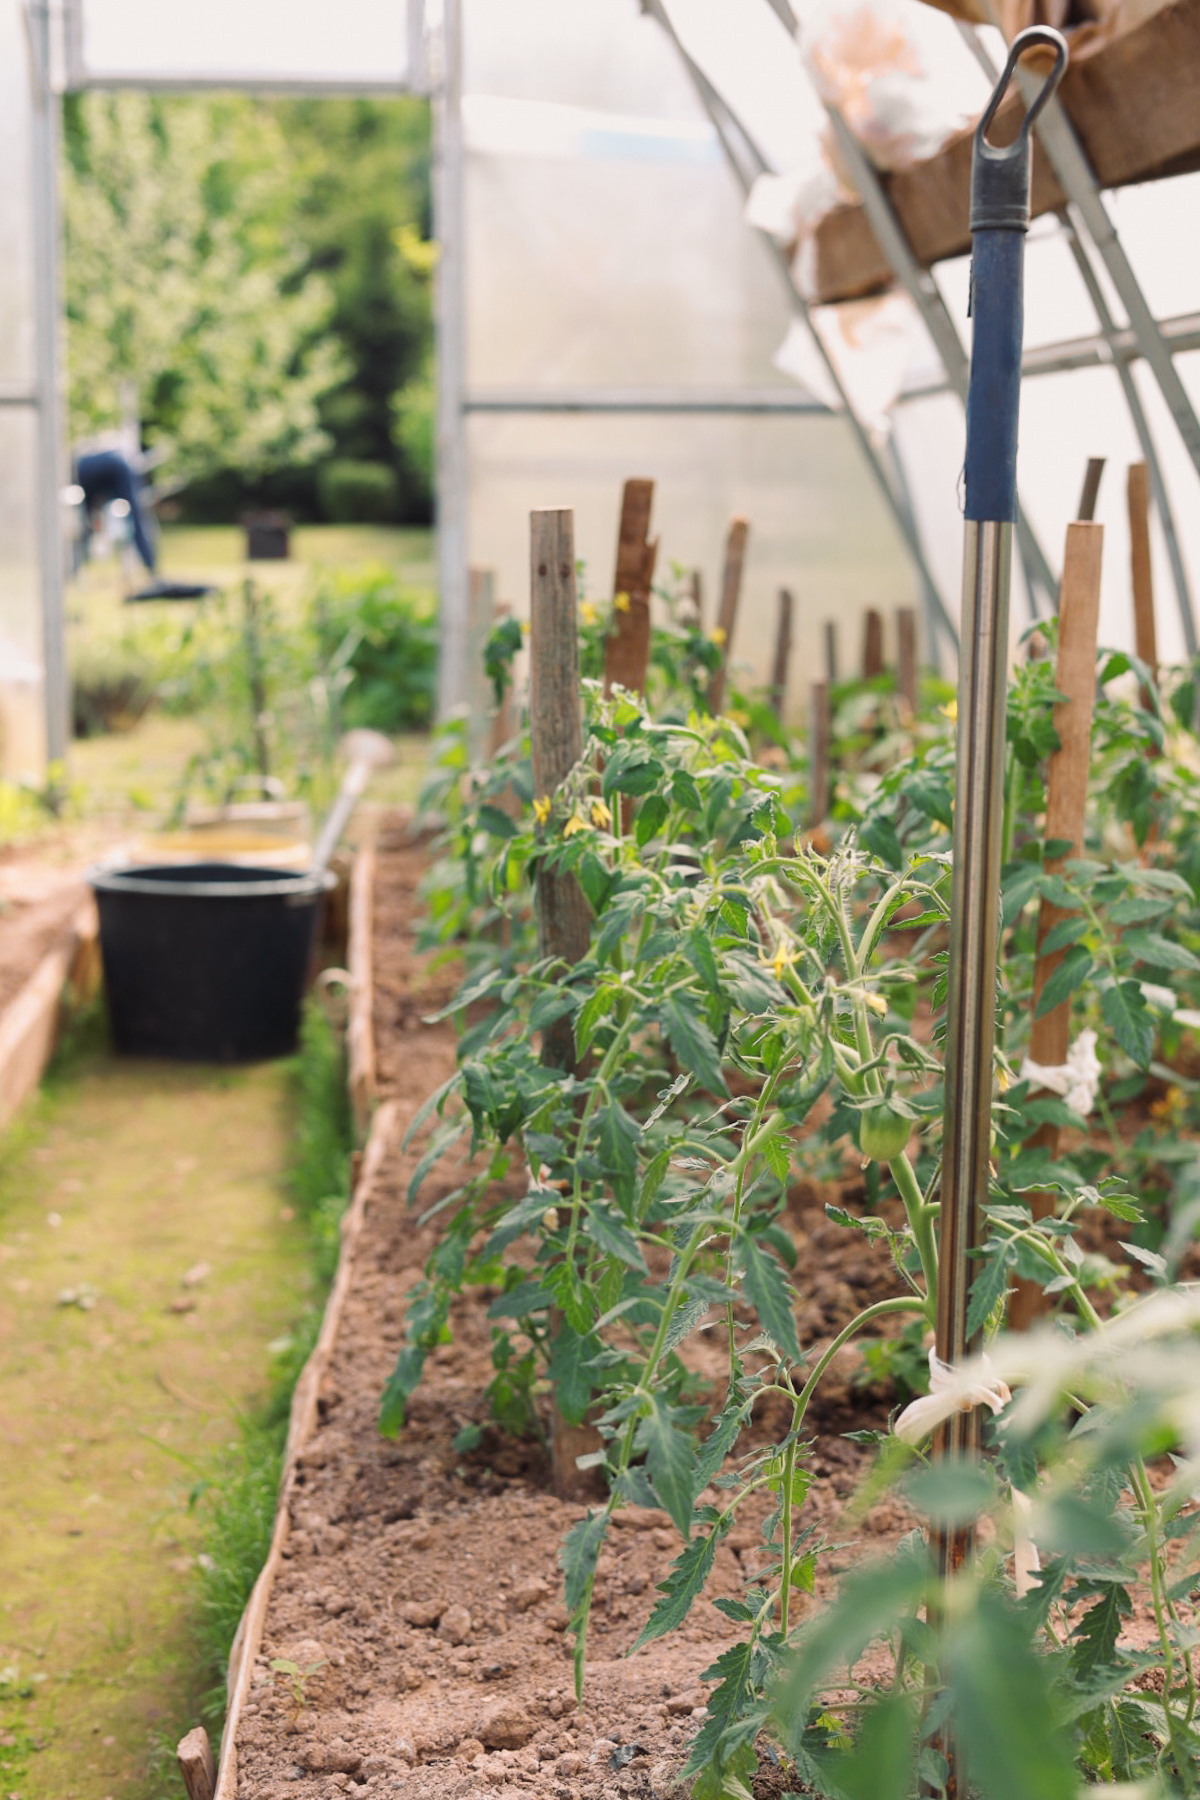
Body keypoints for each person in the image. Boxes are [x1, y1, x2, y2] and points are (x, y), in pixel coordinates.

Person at [73, 434, 158, 573]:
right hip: (100, 471)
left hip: (91, 471)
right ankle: (151, 566)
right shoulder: (120, 467)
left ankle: (76, 567)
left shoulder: (92, 466)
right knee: (136, 518)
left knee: (86, 523)